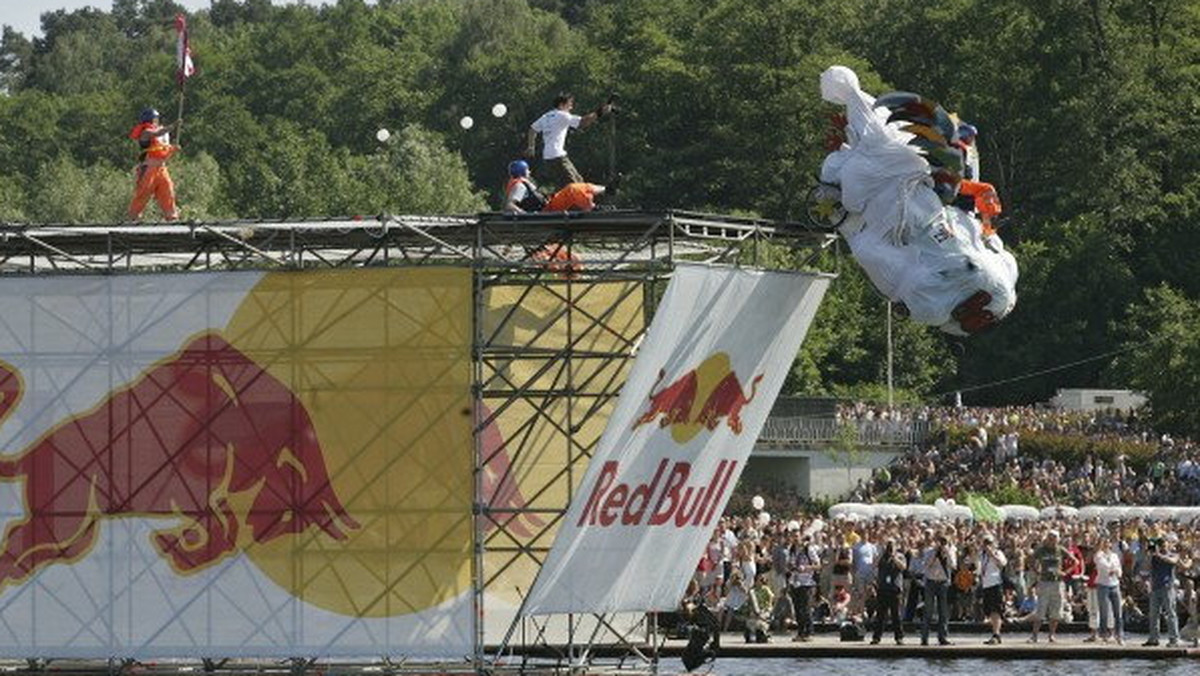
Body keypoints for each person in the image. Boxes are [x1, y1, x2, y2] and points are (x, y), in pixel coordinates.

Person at [525, 92, 612, 187]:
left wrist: (531, 147)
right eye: (569, 104)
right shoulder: (562, 115)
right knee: (576, 186)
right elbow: (582, 123)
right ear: (561, 105)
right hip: (557, 156)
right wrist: (600, 112)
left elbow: (532, 129)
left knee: (578, 182)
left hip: (549, 157)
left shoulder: (546, 116)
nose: (571, 107)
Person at [127, 108, 180, 221]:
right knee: (143, 193)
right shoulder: (145, 132)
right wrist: (173, 126)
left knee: (168, 190)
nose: (157, 121)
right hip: (149, 168)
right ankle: (133, 217)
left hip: (162, 168)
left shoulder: (160, 134)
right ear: (149, 119)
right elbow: (157, 133)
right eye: (155, 119)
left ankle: (171, 216)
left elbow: (162, 151)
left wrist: (173, 149)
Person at [1029, 529, 1076, 643]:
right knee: (1041, 609)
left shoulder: (1060, 550)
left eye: (1054, 538)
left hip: (1057, 582)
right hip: (1044, 582)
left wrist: (1065, 572)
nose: (1051, 540)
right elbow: (1030, 560)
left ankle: (1051, 635)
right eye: (1050, 537)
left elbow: (1075, 561)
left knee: (1056, 610)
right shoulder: (1041, 550)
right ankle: (1034, 635)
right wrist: (1037, 571)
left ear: (1057, 539)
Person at [1144, 535, 1181, 647]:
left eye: (1164, 544)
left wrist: (1159, 555)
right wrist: (1150, 554)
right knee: (1153, 614)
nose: (1163, 546)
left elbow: (1173, 561)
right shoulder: (1154, 556)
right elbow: (1147, 567)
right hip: (1155, 587)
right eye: (1160, 545)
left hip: (1168, 587)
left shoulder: (1173, 554)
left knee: (1171, 613)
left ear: (1168, 544)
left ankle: (1174, 639)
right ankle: (1153, 638)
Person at [921, 531, 955, 646]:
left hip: (943, 583)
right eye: (941, 542)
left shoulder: (950, 552)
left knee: (943, 612)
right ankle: (924, 638)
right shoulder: (929, 552)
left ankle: (943, 637)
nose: (942, 544)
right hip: (930, 582)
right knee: (928, 611)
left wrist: (947, 554)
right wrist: (935, 554)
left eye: (944, 542)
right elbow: (926, 565)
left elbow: (953, 565)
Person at [872, 538, 906, 645]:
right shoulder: (882, 556)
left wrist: (894, 557)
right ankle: (876, 637)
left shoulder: (900, 556)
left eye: (892, 545)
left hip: (894, 589)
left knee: (896, 615)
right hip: (882, 588)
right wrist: (882, 553)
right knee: (880, 615)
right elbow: (874, 564)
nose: (890, 548)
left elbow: (903, 567)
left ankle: (899, 637)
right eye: (888, 545)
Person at [788, 533, 820, 642]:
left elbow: (818, 565)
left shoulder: (808, 549)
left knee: (805, 608)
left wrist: (806, 567)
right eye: (793, 536)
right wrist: (791, 567)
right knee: (797, 609)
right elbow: (790, 564)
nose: (795, 539)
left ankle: (809, 632)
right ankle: (800, 632)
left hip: (807, 582)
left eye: (797, 536)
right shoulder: (792, 550)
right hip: (795, 582)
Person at [1094, 535, 1124, 645]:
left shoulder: (1115, 556)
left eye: (1108, 542)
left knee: (1118, 612)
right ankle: (1104, 635)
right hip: (1103, 585)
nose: (1106, 544)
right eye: (1104, 542)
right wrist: (1111, 570)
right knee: (1104, 611)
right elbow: (1101, 566)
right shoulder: (1098, 555)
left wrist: (1117, 572)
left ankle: (1119, 635)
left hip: (1114, 584)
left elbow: (1119, 568)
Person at [978, 533, 1008, 644]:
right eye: (985, 543)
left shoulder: (997, 553)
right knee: (989, 611)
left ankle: (996, 634)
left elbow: (1002, 564)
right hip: (986, 584)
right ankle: (994, 633)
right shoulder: (982, 555)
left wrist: (992, 555)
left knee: (996, 610)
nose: (987, 545)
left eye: (989, 543)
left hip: (995, 583)